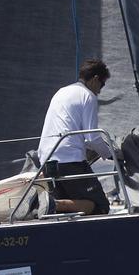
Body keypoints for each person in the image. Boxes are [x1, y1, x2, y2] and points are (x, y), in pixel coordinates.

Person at [36, 59, 113, 215]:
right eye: (102, 85)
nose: (100, 90)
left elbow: (74, 132)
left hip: (47, 159)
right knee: (101, 206)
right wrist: (111, 154)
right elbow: (92, 137)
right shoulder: (88, 96)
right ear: (95, 79)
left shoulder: (62, 91)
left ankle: (49, 204)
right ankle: (54, 204)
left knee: (68, 212)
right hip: (69, 161)